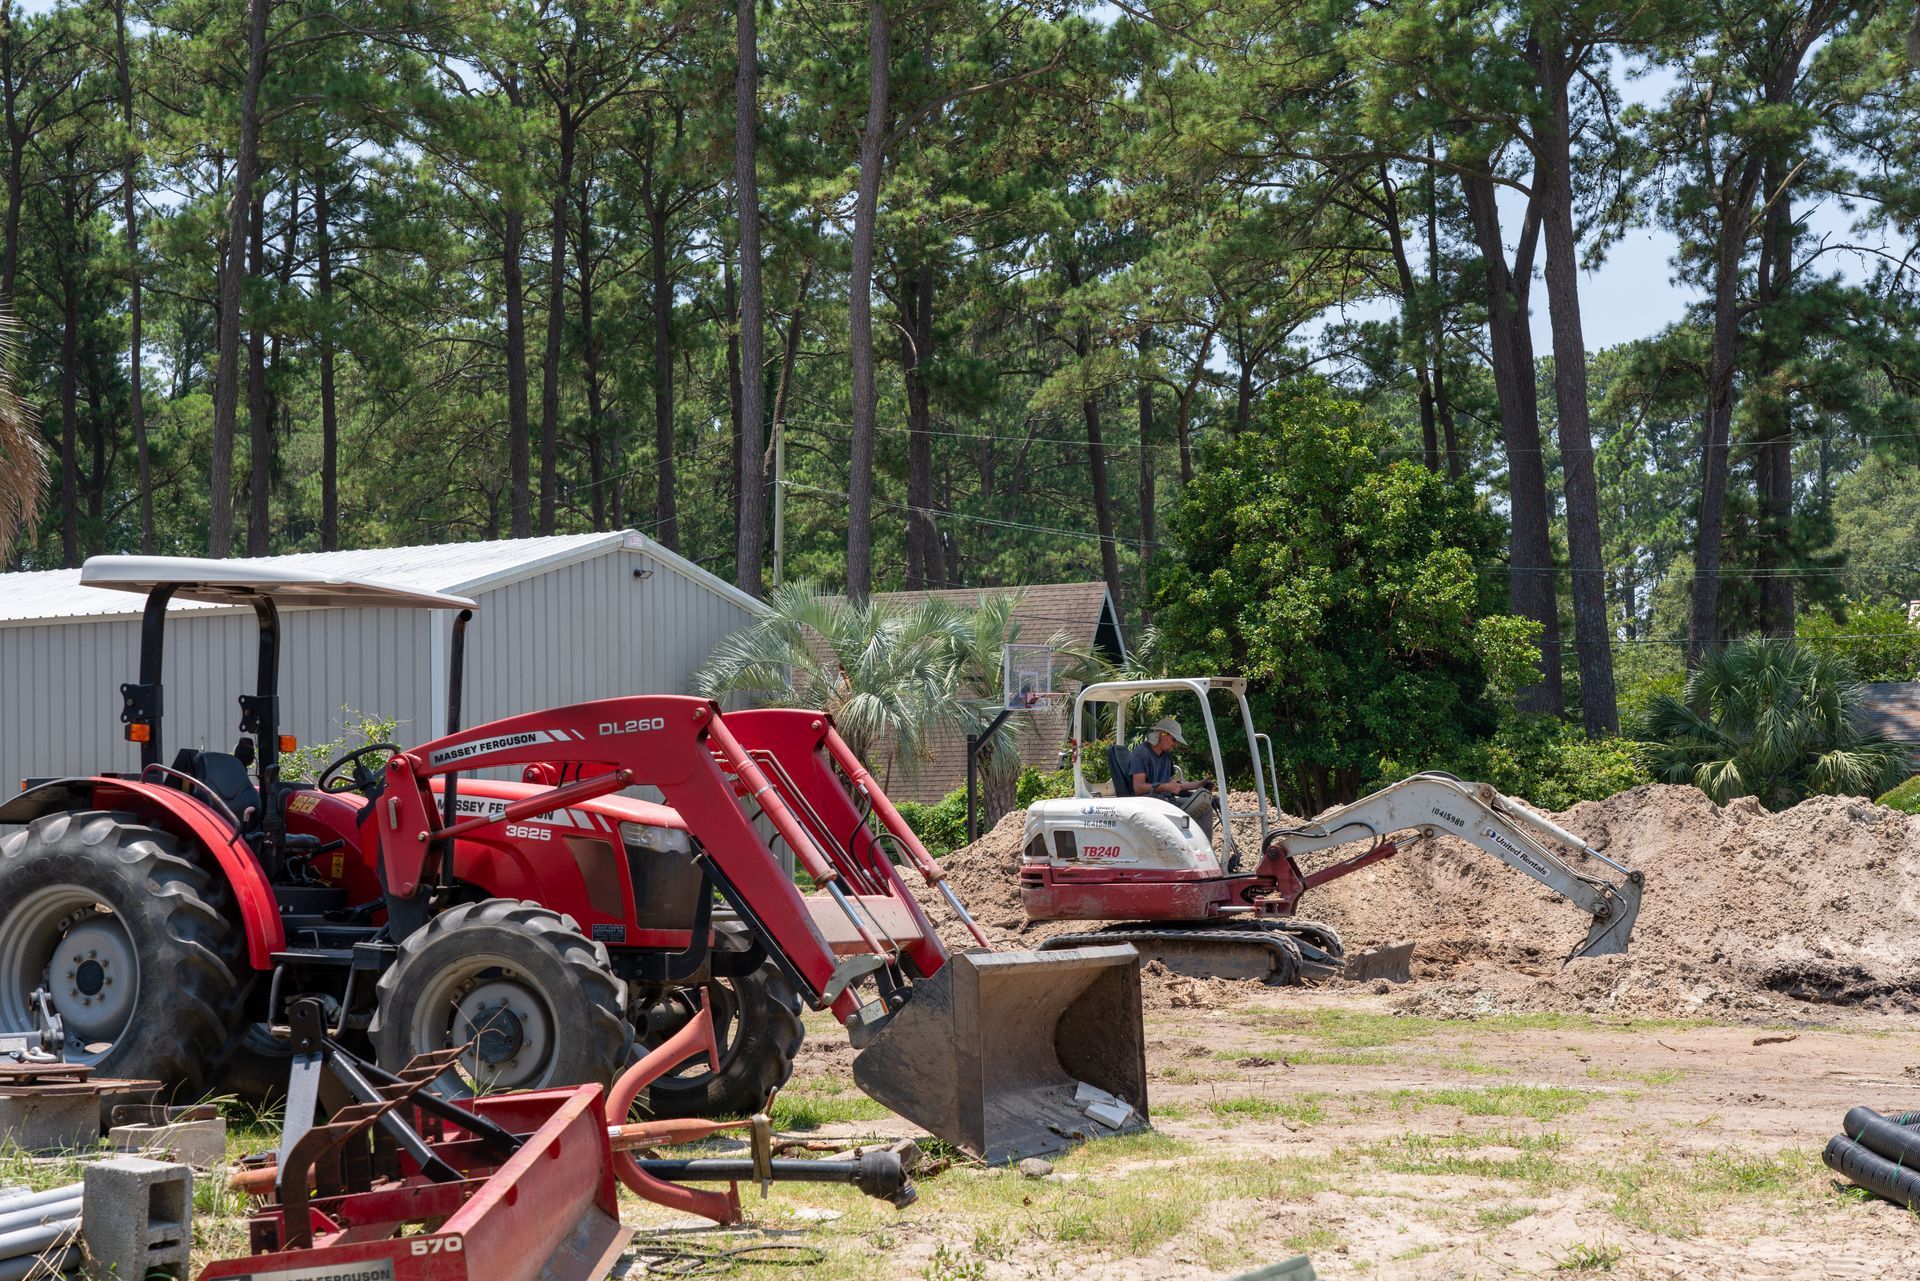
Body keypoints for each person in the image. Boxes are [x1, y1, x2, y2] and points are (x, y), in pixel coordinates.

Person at [1126, 717, 1215, 844]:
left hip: (1167, 802)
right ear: (1163, 734)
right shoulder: (1141, 754)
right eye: (1174, 739)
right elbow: (1138, 787)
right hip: (1150, 805)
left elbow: (1172, 785)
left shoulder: (1166, 755)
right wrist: (1165, 787)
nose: (1176, 744)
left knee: (1206, 805)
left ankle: (1201, 850)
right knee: (1199, 810)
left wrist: (1199, 784)